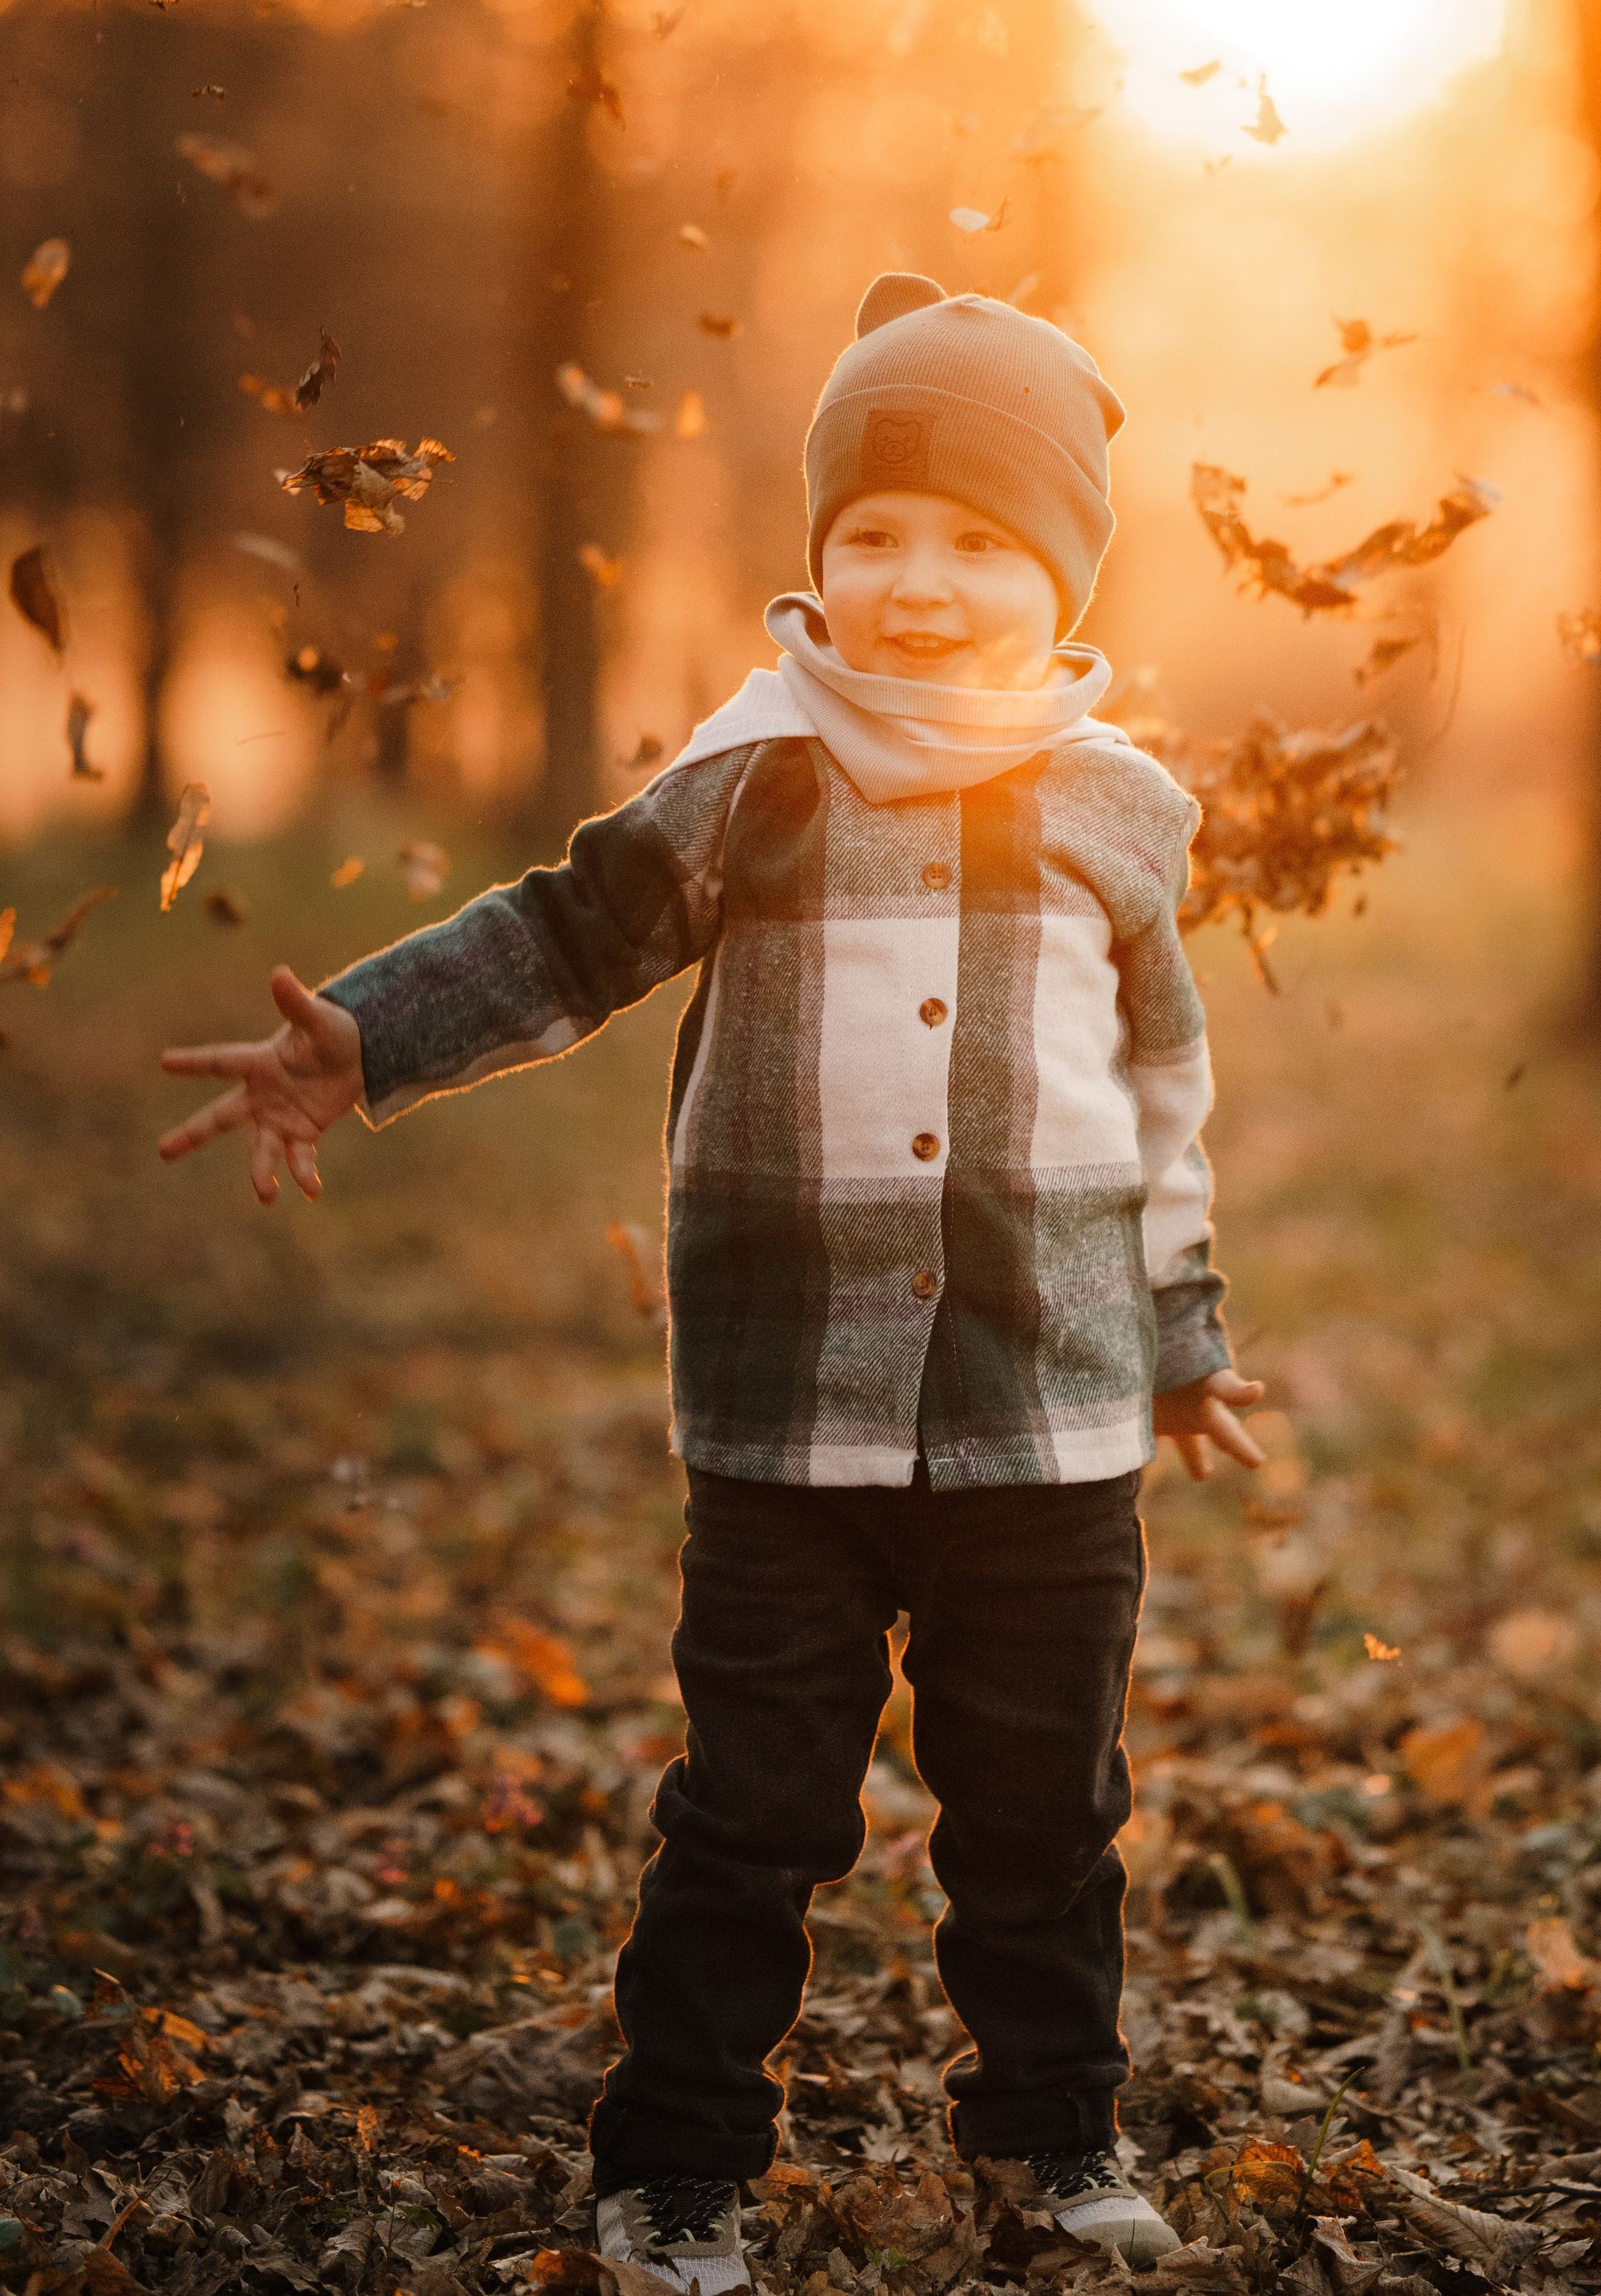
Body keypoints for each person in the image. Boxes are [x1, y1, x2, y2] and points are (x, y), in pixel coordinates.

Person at [159, 274, 1268, 2290]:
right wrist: (371, 1040)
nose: (917, 583)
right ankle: (675, 2166)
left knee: (1044, 1818)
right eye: (875, 533)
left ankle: (1051, 2139)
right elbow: (566, 936)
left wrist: (1181, 1331)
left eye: (977, 542)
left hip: (1048, 1419)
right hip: (783, 1415)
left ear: (1064, 570)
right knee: (753, 1814)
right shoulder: (760, 772)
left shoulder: (1117, 809)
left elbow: (1157, 1092)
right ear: (820, 551)